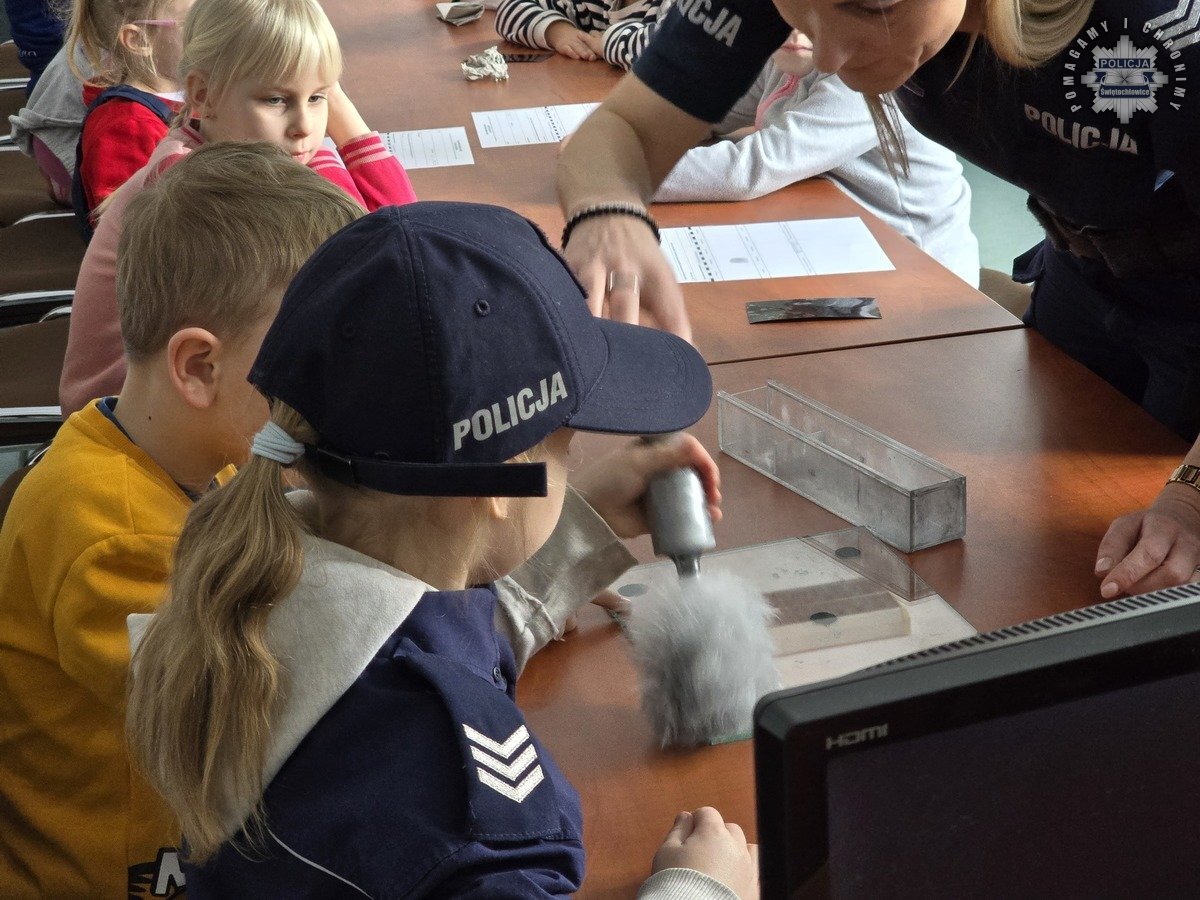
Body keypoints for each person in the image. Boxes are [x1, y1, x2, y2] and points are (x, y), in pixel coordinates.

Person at [126, 201, 759, 899]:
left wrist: (571, 529)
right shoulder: (470, 815)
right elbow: (426, 709)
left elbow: (412, 649)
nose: (573, 458)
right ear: (495, 487)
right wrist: (700, 888)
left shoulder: (256, 575)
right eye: (566, 445)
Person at [555, 0, 1200, 600]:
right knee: (1041, 562)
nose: (826, 53)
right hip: (1083, 265)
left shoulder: (1164, 27)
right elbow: (619, 132)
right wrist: (609, 212)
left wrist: (1190, 501)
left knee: (1153, 584)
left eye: (872, 6)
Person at [0, 142, 365, 899]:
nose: (337, 383)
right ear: (199, 367)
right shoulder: (117, 531)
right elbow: (265, 731)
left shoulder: (201, 451)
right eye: (313, 357)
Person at [58, 0, 418, 418]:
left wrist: (316, 90)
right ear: (203, 95)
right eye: (276, 100)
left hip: (196, 392)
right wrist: (320, 97)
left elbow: (393, 233)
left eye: (319, 97)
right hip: (137, 421)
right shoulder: (199, 186)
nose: (305, 125)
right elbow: (373, 251)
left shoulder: (253, 144)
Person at [654, 29, 979, 286]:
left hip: (921, 270)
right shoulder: (786, 58)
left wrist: (621, 171)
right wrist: (617, 134)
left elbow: (749, 169)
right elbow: (705, 114)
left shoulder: (870, 78)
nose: (797, 30)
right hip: (841, 239)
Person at [67, 0, 194, 232]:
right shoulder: (126, 125)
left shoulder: (196, 93)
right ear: (138, 40)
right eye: (194, 22)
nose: (215, 31)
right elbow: (129, 230)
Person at [496, 0, 673, 68]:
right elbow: (509, 9)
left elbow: (672, 50)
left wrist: (606, 42)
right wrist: (557, 31)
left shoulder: (681, 7)